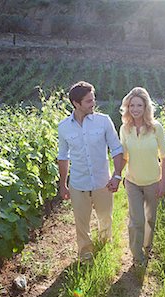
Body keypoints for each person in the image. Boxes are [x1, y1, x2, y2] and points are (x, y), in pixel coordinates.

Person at [57, 81, 124, 262]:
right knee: (81, 222)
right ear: (76, 103)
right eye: (88, 101)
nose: (93, 104)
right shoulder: (63, 127)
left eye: (93, 99)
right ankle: (85, 253)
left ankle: (104, 245)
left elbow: (117, 149)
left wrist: (117, 176)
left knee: (105, 217)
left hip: (103, 182)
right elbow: (63, 157)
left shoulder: (104, 122)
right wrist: (63, 184)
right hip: (78, 183)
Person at [119, 87, 165, 268]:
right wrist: (117, 176)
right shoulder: (125, 129)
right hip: (132, 181)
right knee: (136, 221)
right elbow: (124, 157)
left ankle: (147, 246)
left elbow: (164, 156)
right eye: (132, 105)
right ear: (127, 107)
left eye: (139, 105)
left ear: (146, 107)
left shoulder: (157, 128)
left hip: (152, 182)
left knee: (150, 219)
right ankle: (137, 255)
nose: (135, 109)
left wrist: (163, 182)